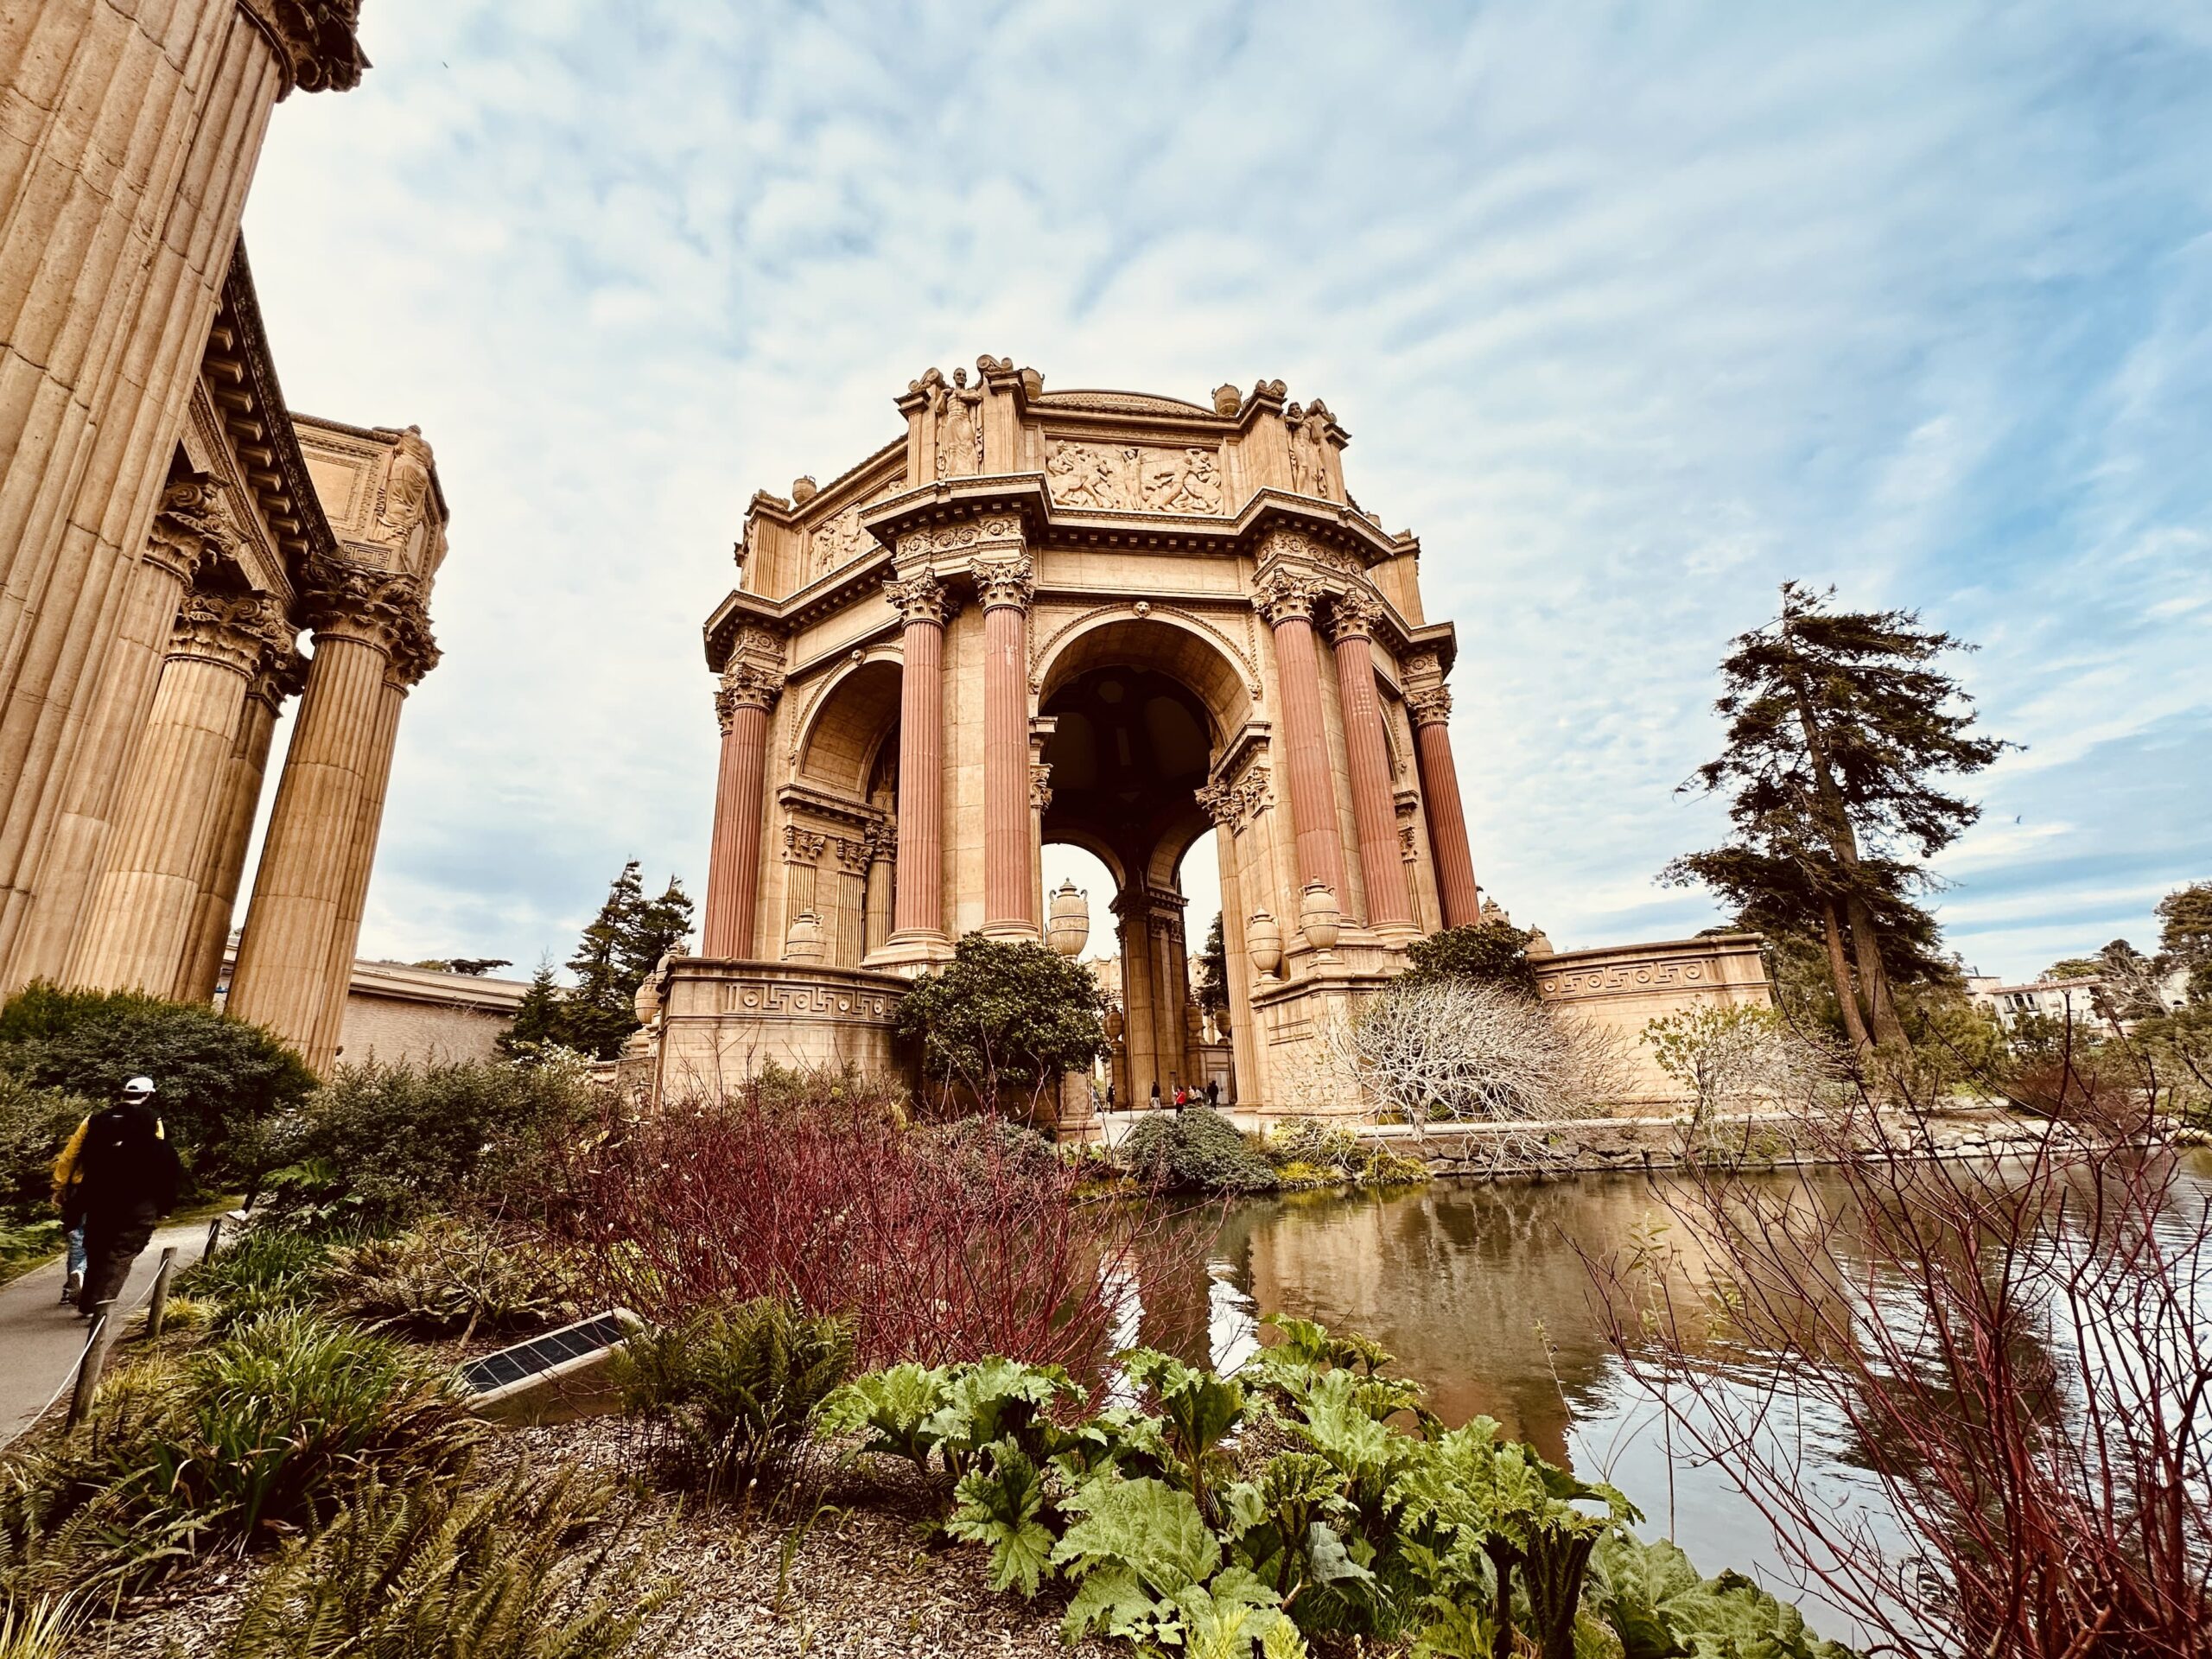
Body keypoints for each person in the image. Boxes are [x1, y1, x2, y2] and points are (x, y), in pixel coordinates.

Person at [72, 1077, 181, 1317]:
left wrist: (67, 1194)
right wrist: (166, 1205)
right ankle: (102, 1308)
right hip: (139, 1201)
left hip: (99, 1198)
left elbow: (75, 1157)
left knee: (98, 1248)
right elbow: (168, 1170)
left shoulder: (98, 1123)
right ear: (148, 1096)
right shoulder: (154, 1132)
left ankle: (88, 1303)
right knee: (122, 1252)